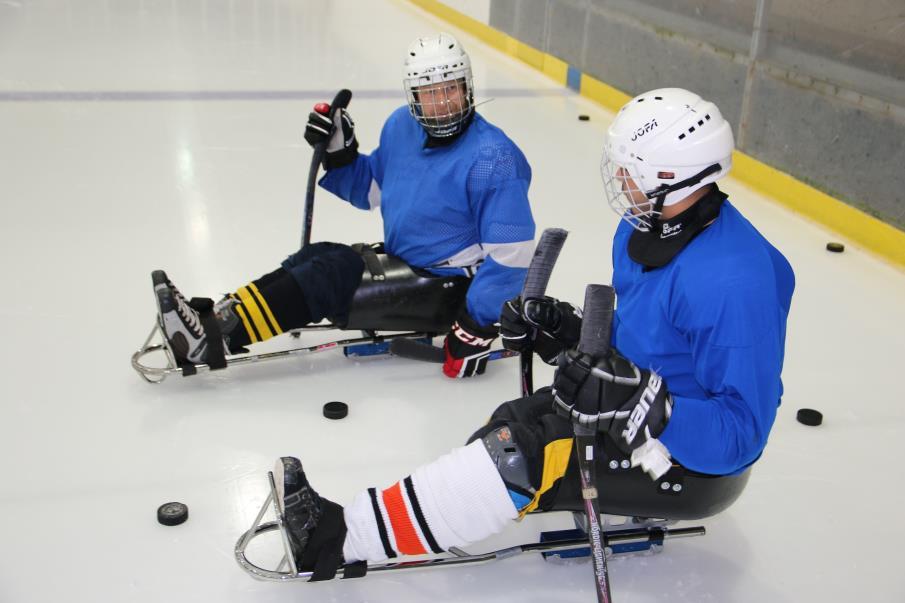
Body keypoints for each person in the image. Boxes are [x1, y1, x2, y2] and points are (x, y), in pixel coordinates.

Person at [266, 88, 795, 580]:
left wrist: (646, 404)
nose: (620, 180)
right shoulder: (643, 227)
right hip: (633, 414)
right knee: (513, 421)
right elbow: (644, 341)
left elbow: (740, 434)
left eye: (630, 171)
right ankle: (426, 512)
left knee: (524, 452)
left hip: (683, 462)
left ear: (668, 177)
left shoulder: (734, 282)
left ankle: (339, 539)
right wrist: (563, 329)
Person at [152, 32, 536, 379]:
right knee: (316, 258)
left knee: (328, 277)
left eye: (450, 89)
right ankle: (214, 320)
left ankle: (208, 339)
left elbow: (512, 257)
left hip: (452, 289)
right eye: (429, 93)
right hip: (411, 264)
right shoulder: (402, 126)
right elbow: (372, 189)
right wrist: (339, 151)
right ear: (413, 96)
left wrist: (476, 325)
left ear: (467, 87)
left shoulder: (493, 157)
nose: (442, 103)